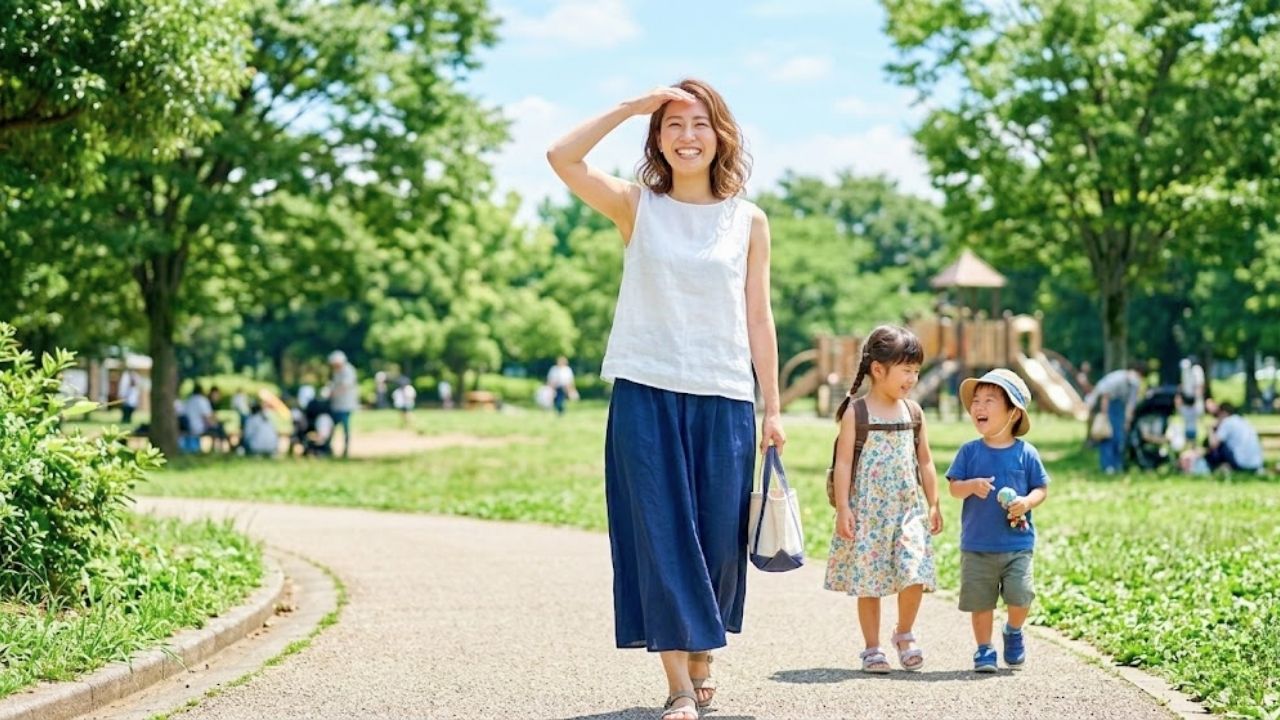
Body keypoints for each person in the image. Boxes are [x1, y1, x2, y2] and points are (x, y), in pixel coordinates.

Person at [547, 79, 785, 719]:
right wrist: (631, 108)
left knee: (718, 542)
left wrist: (773, 407)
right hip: (645, 391)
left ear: (720, 136)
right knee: (659, 534)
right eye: (673, 124)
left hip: (725, 393)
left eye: (700, 123)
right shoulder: (636, 206)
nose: (687, 136)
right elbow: (561, 157)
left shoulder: (748, 220)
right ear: (657, 138)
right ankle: (678, 683)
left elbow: (758, 317)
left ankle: (702, 648)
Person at [823, 325, 942, 674]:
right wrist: (843, 508)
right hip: (869, 511)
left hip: (907, 509)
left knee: (915, 571)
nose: (912, 378)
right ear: (878, 369)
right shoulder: (856, 413)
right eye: (906, 370)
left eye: (916, 371)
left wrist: (933, 502)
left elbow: (925, 460)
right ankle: (872, 647)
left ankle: (904, 632)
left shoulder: (913, 412)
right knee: (869, 582)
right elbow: (843, 463)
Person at [946, 369, 1051, 671]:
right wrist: (970, 486)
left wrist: (1026, 502)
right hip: (977, 545)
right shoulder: (969, 452)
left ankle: (1013, 630)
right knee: (980, 603)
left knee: (1021, 595)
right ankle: (984, 649)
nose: (979, 406)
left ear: (1013, 413)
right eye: (976, 401)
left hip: (1017, 544)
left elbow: (1041, 489)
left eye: (989, 400)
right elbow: (954, 488)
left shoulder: (1026, 453)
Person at [1085, 363, 1145, 473]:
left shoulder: (1134, 384)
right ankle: (1107, 466)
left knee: (1120, 438)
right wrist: (1105, 415)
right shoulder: (1117, 378)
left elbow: (1131, 403)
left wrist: (1127, 420)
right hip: (1109, 406)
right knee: (1108, 437)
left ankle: (1118, 465)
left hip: (1120, 408)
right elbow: (1105, 397)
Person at [1206, 402, 1264, 472]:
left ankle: (1216, 468)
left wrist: (1210, 429)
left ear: (1223, 413)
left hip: (1242, 464)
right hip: (1256, 464)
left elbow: (1213, 445)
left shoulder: (1227, 422)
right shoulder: (1244, 420)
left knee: (1220, 446)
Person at [326, 350, 358, 458]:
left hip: (346, 404)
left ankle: (346, 449)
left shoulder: (348, 371)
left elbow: (344, 386)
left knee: (345, 427)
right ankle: (328, 447)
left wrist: (333, 393)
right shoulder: (337, 372)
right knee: (331, 426)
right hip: (337, 404)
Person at [1174, 357, 1206, 442]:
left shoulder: (1197, 370)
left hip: (1194, 404)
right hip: (1186, 402)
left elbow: (1199, 387)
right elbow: (1182, 385)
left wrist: (1194, 399)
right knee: (1185, 424)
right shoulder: (1184, 372)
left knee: (1194, 424)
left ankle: (1194, 442)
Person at [181, 384, 215, 454]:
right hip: (198, 427)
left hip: (187, 426)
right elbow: (207, 417)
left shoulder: (189, 400)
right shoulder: (202, 400)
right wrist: (213, 424)